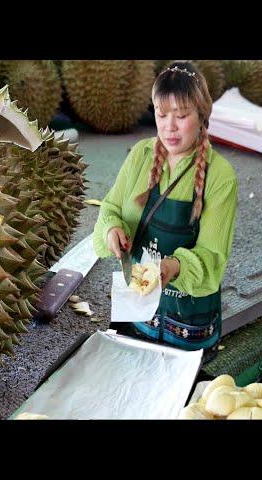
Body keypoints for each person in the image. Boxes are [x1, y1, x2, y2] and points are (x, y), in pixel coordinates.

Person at [92, 61, 238, 362]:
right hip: (136, 313)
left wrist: (172, 268)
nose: (169, 126)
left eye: (181, 116)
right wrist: (111, 231)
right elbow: (110, 209)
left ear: (201, 116)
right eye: (161, 114)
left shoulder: (220, 176)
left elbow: (212, 257)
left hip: (187, 323)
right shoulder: (141, 156)